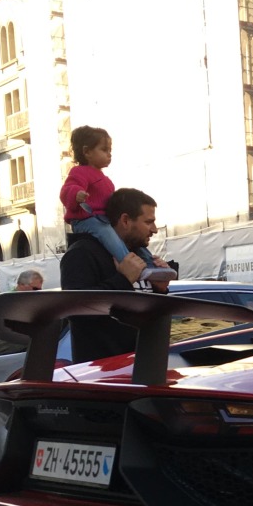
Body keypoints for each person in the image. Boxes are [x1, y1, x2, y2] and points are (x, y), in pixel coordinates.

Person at [60, 187, 175, 360]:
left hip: (146, 370)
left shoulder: (140, 256)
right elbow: (77, 313)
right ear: (126, 220)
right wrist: (123, 279)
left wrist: (161, 290)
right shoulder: (82, 253)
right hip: (104, 377)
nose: (154, 229)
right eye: (148, 222)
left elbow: (151, 320)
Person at [59, 125, 164, 275]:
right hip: (87, 219)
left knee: (130, 240)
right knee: (107, 235)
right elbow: (67, 189)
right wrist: (77, 194)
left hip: (102, 219)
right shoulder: (79, 172)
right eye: (104, 150)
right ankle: (129, 263)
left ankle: (150, 265)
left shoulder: (105, 179)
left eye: (110, 151)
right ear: (87, 152)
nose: (109, 155)